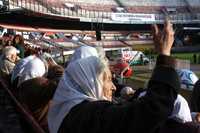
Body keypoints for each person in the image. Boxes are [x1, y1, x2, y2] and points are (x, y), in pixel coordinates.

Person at [48, 20, 180, 133]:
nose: (113, 87)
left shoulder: (70, 109)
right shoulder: (89, 114)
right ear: (90, 81)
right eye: (108, 80)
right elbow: (150, 111)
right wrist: (165, 55)